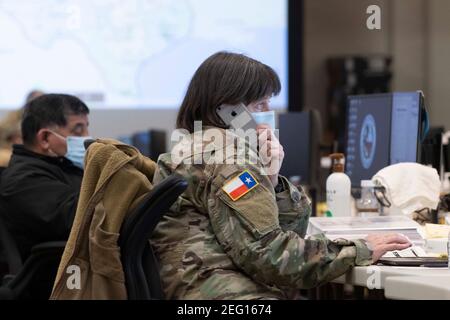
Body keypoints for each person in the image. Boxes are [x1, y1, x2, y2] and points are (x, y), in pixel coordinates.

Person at [150, 51, 411, 300]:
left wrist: (271, 180)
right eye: (259, 103)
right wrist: (360, 249)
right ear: (229, 110)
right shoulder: (230, 158)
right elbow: (271, 255)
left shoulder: (194, 146)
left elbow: (280, 236)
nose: (268, 112)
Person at [0, 94, 91, 259]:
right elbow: (82, 219)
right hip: (59, 277)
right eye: (78, 130)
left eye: (87, 128)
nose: (87, 138)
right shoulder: (23, 180)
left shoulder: (64, 165)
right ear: (44, 138)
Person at [0, 90, 44, 166]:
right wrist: (14, 135)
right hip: (12, 150)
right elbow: (4, 130)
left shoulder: (48, 118)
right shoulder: (15, 115)